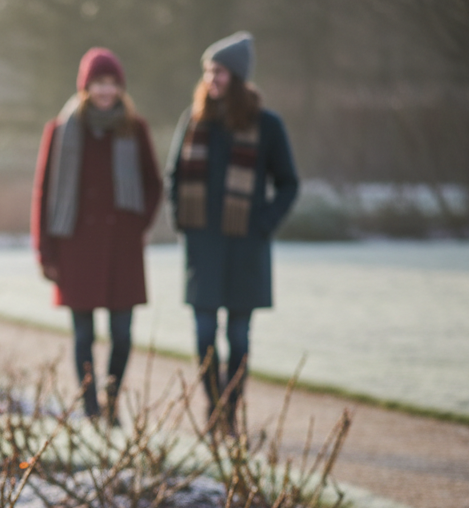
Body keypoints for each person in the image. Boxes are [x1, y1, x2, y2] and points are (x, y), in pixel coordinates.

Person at [166, 31, 298, 433]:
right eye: (208, 70)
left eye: (219, 71)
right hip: (203, 248)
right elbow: (174, 176)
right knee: (205, 334)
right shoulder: (194, 119)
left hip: (245, 250)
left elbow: (289, 183)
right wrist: (181, 221)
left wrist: (263, 224)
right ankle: (214, 407)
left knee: (238, 339)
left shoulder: (267, 125)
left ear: (238, 78)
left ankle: (230, 413)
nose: (211, 78)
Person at [32, 47, 163, 421]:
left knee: (122, 334)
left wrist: (136, 225)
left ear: (121, 87)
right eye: (98, 83)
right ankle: (90, 408)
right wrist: (45, 251)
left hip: (122, 247)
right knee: (84, 335)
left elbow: (153, 184)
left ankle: (112, 398)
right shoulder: (62, 129)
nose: (106, 91)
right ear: (86, 86)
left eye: (112, 83)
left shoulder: (134, 128)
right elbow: (44, 193)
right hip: (76, 246)